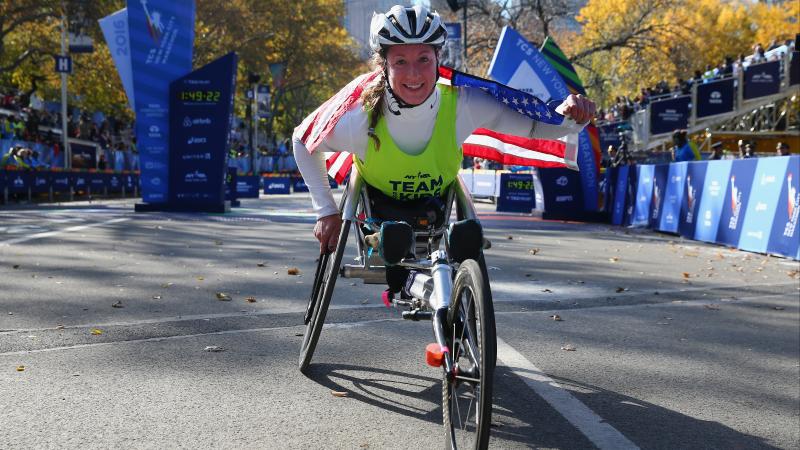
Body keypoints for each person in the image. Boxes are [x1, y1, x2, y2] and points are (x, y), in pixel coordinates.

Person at [293, 5, 595, 253]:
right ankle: (392, 251)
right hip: (378, 209)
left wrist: (571, 117)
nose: (413, 74)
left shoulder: (463, 103)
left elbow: (532, 127)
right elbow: (303, 140)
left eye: (423, 59)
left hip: (435, 206)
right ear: (384, 66)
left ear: (439, 59)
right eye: (400, 61)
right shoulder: (359, 115)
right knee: (393, 240)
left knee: (463, 238)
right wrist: (326, 211)